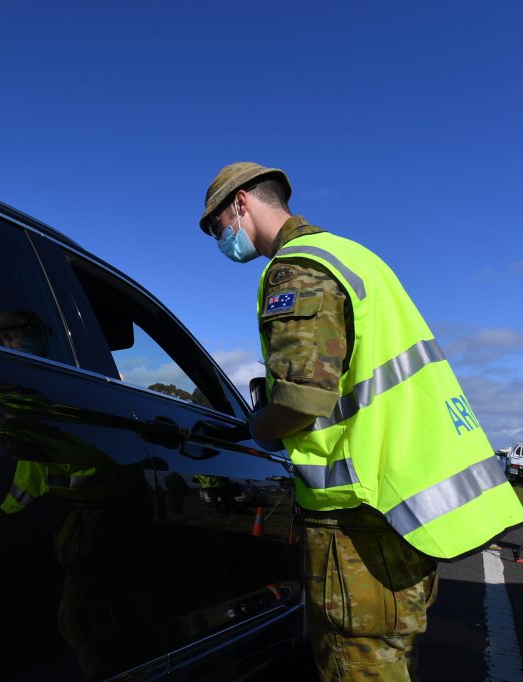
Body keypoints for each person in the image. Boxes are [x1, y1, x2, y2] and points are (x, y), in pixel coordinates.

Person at [198, 162, 523, 681]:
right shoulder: (355, 256)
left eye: (216, 227)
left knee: (359, 665)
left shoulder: (295, 268)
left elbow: (303, 399)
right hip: (402, 508)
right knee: (390, 656)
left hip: (359, 517)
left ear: (239, 204)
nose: (221, 239)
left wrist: (258, 427)